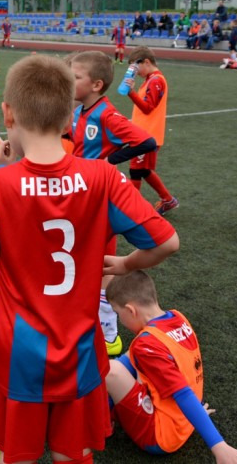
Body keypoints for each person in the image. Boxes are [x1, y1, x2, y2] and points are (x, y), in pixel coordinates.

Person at [0, 54, 179, 464]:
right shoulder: (103, 177)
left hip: (17, 350)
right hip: (80, 348)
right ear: (68, 118)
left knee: (17, 455)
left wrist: (2, 171)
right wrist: (126, 264)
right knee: (73, 455)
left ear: (7, 113)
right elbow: (167, 242)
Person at [105, 271, 237, 464]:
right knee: (128, 358)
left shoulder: (146, 344)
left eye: (118, 313)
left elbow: (183, 394)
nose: (120, 320)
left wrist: (219, 446)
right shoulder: (177, 319)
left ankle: (99, 423)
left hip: (160, 437)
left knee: (111, 371)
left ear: (131, 310)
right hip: (183, 422)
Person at [66, 50, 158, 357]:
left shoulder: (106, 114)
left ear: (96, 85)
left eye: (75, 77)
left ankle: (108, 331)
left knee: (103, 260)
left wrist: (109, 160)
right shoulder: (79, 111)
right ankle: (86, 314)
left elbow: (145, 141)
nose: (69, 81)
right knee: (82, 255)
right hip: (79, 190)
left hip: (99, 193)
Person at [125, 46, 179, 214]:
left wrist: (131, 93)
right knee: (143, 169)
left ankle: (131, 208)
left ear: (146, 62)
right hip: (144, 134)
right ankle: (168, 200)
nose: (135, 72)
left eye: (136, 67)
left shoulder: (156, 81)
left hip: (147, 136)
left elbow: (148, 108)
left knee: (136, 169)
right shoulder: (151, 79)